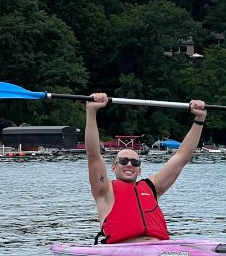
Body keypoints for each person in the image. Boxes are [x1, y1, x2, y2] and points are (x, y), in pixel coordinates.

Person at [85, 93, 207, 244]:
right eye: (124, 161)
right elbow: (94, 156)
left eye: (135, 163)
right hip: (124, 253)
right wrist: (91, 111)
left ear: (139, 170)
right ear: (113, 167)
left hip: (159, 250)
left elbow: (181, 157)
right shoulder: (104, 190)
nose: (129, 164)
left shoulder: (151, 187)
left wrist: (199, 119)